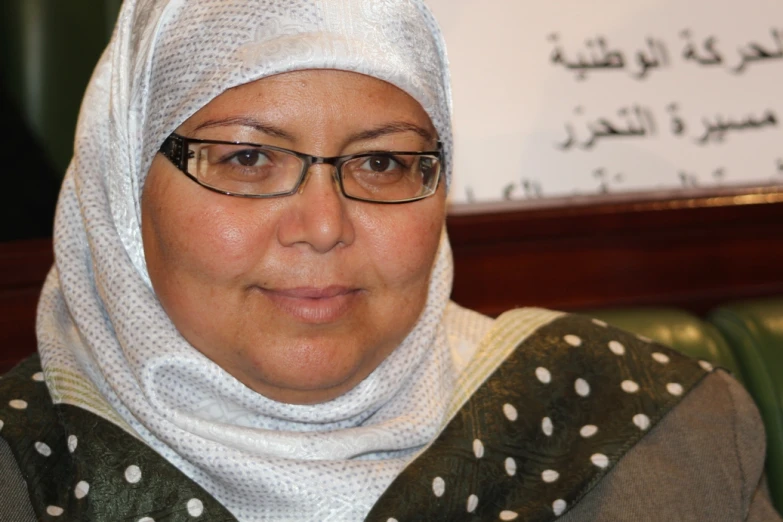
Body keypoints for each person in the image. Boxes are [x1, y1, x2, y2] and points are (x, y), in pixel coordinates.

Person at [0, 1, 779, 521]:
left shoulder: (647, 427)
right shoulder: (27, 466)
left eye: (381, 164)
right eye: (245, 157)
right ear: (120, 185)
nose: (322, 226)